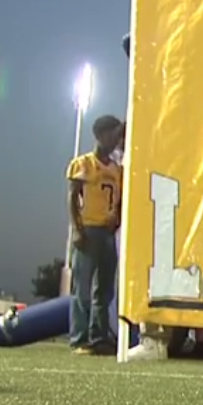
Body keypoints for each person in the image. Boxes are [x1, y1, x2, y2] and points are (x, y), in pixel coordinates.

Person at [66, 114, 124, 356]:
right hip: (88, 229)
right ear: (100, 135)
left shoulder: (116, 169)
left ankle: (98, 336)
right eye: (113, 134)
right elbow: (72, 196)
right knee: (83, 287)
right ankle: (80, 338)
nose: (116, 140)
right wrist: (77, 228)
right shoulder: (84, 163)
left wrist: (116, 218)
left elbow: (120, 201)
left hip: (107, 232)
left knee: (104, 289)